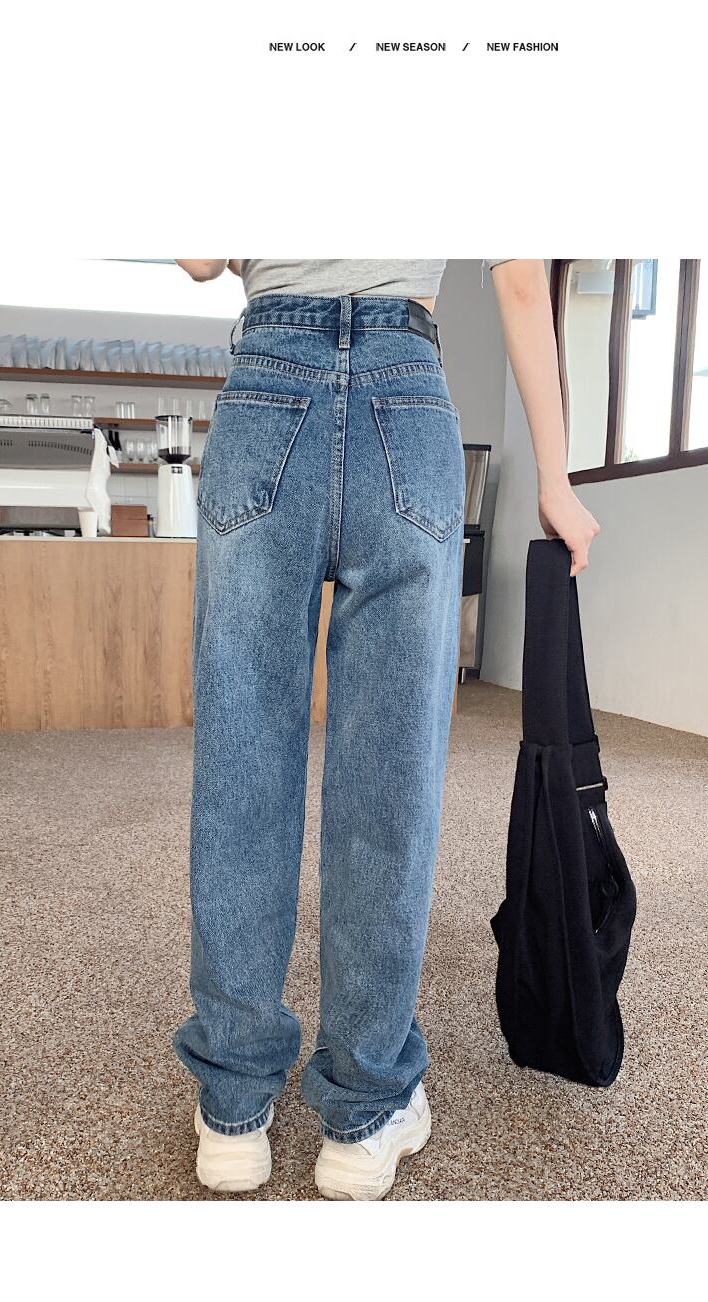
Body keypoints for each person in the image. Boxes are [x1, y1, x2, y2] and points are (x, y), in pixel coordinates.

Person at [172, 259, 600, 1200]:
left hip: (267, 393)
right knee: (389, 782)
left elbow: (202, 256)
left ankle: (234, 1109)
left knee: (243, 773)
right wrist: (556, 479)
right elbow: (521, 281)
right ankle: (364, 1116)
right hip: (404, 403)